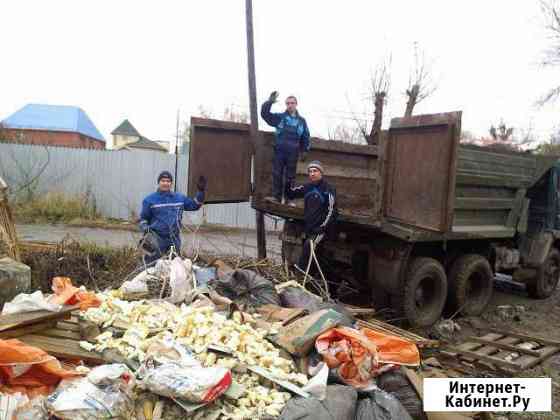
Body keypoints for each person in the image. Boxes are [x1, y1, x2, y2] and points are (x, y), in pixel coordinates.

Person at [139, 170, 207, 264]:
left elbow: (195, 205)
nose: (165, 183)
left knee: (174, 264)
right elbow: (143, 219)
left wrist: (201, 191)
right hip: (157, 239)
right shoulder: (149, 200)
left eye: (168, 181)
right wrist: (145, 230)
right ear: (158, 182)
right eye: (163, 181)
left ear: (171, 183)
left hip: (173, 240)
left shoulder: (179, 198)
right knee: (150, 265)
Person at [261, 91, 310, 205]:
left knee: (290, 177)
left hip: (293, 152)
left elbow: (306, 136)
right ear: (286, 105)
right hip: (280, 151)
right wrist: (269, 102)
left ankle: (289, 199)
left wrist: (305, 150)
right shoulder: (280, 118)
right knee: (277, 174)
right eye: (287, 103)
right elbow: (265, 115)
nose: (290, 105)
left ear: (296, 104)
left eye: (292, 103)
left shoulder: (302, 121)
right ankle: (276, 197)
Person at [287, 160, 337, 272]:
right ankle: (311, 277)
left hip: (320, 230)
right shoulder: (307, 187)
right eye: (310, 171)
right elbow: (291, 194)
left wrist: (322, 228)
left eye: (315, 171)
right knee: (312, 254)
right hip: (309, 227)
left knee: (308, 249)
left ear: (321, 173)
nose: (312, 173)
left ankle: (299, 276)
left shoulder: (327, 189)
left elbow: (331, 211)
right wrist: (287, 182)